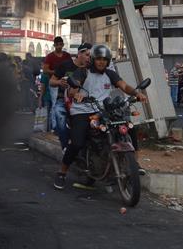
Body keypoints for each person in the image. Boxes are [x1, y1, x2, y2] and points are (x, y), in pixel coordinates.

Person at [53, 44, 147, 191]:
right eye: (98, 59)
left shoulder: (110, 74)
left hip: (103, 110)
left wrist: (136, 93)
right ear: (93, 59)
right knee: (77, 142)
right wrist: (75, 93)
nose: (101, 62)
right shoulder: (83, 72)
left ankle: (134, 163)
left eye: (104, 59)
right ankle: (62, 172)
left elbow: (124, 86)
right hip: (82, 110)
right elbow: (73, 89)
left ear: (108, 60)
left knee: (129, 128)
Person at [49, 43, 92, 151]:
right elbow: (51, 81)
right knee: (60, 117)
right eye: (87, 55)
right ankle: (65, 148)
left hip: (85, 101)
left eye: (91, 56)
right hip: (63, 100)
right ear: (79, 53)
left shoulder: (91, 68)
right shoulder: (65, 65)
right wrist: (59, 82)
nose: (89, 58)